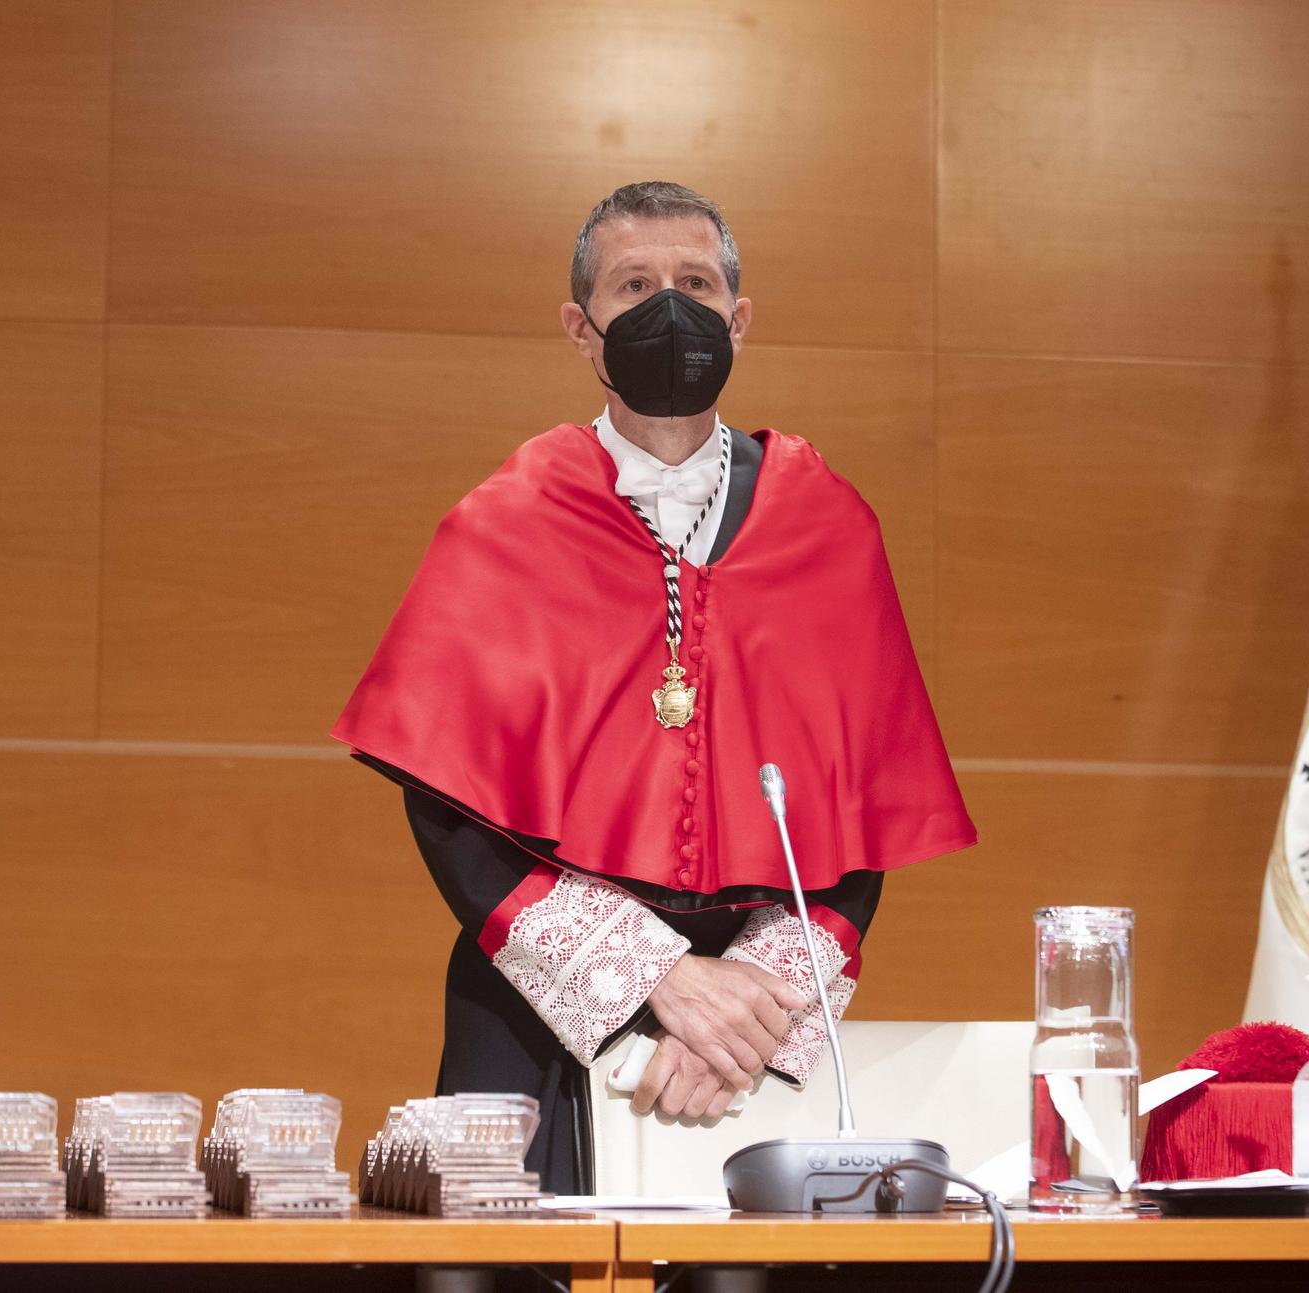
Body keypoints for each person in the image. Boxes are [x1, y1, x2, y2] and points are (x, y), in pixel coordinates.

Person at [330, 181, 975, 1193]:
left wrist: (749, 1004)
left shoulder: (829, 525)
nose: (669, 309)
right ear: (581, 330)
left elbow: (857, 817)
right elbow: (450, 811)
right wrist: (658, 980)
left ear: (738, 318)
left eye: (696, 284)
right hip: (535, 1002)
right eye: (634, 286)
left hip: (743, 1030)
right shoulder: (507, 525)